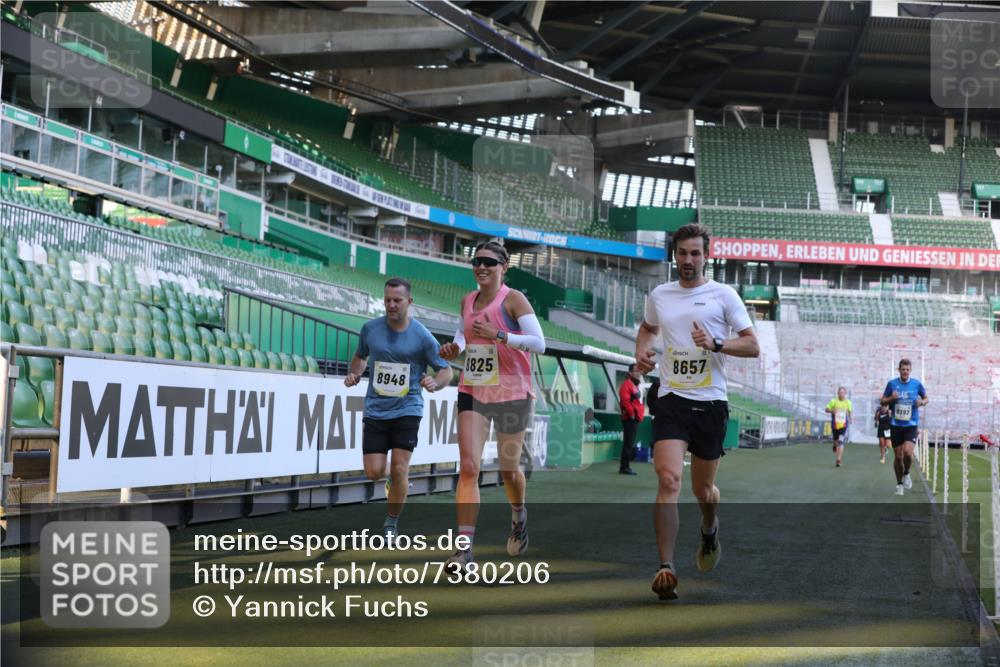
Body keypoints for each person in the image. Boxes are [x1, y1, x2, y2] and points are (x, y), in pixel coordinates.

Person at [634, 223, 759, 601]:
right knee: (668, 479)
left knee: (703, 490)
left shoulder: (723, 295)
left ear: (706, 255)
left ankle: (709, 526)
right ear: (674, 255)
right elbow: (648, 328)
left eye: (695, 253)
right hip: (671, 398)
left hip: (710, 404)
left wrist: (717, 343)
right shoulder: (660, 294)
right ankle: (666, 566)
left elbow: (752, 345)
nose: (688, 260)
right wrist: (642, 351)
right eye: (682, 253)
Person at [438, 240, 546, 572]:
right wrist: (455, 348)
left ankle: (518, 516)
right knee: (468, 467)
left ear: (503, 267)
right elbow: (463, 334)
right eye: (477, 262)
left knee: (508, 470)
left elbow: (539, 343)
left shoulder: (513, 299)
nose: (482, 267)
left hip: (511, 391)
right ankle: (464, 551)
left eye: (489, 262)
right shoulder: (467, 300)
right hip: (474, 388)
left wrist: (500, 335)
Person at [344, 277, 453, 540]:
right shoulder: (370, 329)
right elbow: (360, 357)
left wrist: (435, 383)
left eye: (397, 300)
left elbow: (446, 370)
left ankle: (391, 524)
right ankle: (394, 480)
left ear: (409, 301)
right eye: (387, 300)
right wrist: (355, 373)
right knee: (374, 472)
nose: (391, 305)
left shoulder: (422, 335)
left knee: (400, 467)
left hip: (408, 408)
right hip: (376, 409)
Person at [881, 358, 928, 496]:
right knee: (898, 456)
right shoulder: (892, 384)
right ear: (899, 370)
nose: (905, 372)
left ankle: (906, 473)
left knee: (907, 452)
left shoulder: (917, 384)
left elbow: (926, 398)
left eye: (907, 370)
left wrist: (921, 402)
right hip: (896, 425)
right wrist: (891, 399)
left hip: (911, 425)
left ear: (910, 370)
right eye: (903, 369)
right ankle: (899, 484)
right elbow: (882, 401)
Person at [618, 364, 645, 475]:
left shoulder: (634, 384)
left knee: (629, 443)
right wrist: (632, 414)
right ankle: (624, 467)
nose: (638, 373)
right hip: (629, 418)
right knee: (628, 444)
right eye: (636, 371)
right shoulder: (626, 385)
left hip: (633, 418)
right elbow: (625, 402)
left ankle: (625, 467)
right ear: (630, 373)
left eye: (639, 371)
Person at [824, 387, 853, 467]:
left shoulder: (848, 402)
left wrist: (850, 418)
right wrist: (832, 411)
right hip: (835, 425)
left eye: (843, 392)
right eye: (840, 392)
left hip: (843, 425)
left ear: (845, 394)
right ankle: (834, 445)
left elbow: (849, 411)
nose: (841, 394)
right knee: (836, 441)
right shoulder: (833, 401)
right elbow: (826, 409)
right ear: (838, 393)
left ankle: (838, 460)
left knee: (840, 442)